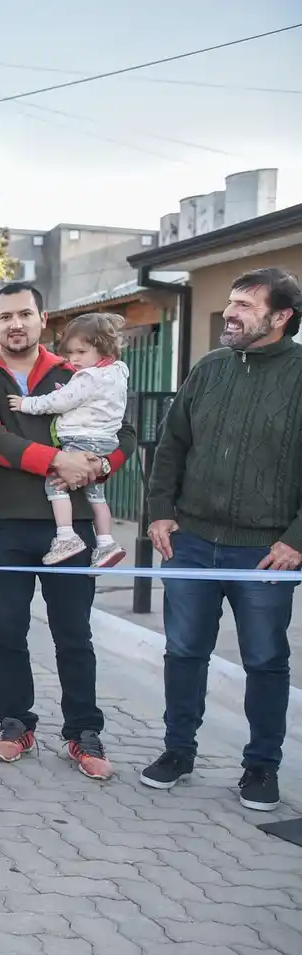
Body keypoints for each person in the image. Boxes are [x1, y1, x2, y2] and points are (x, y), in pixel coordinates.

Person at [142, 267, 302, 813]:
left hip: (265, 554)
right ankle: (177, 752)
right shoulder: (208, 370)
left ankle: (261, 767)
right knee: (184, 651)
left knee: (265, 660)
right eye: (229, 302)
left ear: (281, 317)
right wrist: (160, 512)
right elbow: (171, 447)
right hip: (191, 541)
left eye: (245, 306)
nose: (230, 313)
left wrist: (296, 539)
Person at [0, 281, 135, 781]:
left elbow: (123, 430)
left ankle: (83, 732)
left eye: (25, 314)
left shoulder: (77, 368)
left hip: (74, 523)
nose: (15, 324)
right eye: (5, 317)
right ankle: (16, 723)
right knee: (7, 632)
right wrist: (56, 459)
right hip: (3, 523)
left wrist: (99, 467)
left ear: (43, 319)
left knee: (74, 634)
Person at [10, 313, 130, 567]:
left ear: (103, 348)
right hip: (104, 442)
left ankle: (66, 535)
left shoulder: (87, 377)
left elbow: (59, 401)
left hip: (81, 440)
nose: (74, 360)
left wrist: (26, 404)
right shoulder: (117, 372)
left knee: (54, 484)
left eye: (81, 352)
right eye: (70, 353)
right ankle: (106, 542)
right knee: (96, 494)